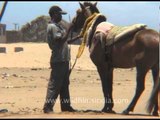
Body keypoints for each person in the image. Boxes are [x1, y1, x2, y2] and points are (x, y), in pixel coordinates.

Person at [43, 5, 76, 113]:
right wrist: (70, 28)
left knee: (64, 84)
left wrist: (78, 37)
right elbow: (60, 40)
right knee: (55, 84)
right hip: (59, 60)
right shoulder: (53, 27)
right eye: (60, 14)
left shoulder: (58, 26)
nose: (61, 17)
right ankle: (48, 107)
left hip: (64, 60)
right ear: (54, 14)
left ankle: (66, 106)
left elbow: (65, 41)